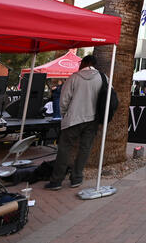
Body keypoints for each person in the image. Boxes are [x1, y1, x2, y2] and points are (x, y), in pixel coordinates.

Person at [46, 55, 104, 190]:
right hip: (92, 119)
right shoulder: (102, 78)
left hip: (73, 118)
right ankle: (77, 177)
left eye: (80, 62)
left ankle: (56, 180)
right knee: (85, 149)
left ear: (85, 62)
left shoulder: (74, 77)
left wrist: (64, 115)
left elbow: (64, 99)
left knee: (64, 149)